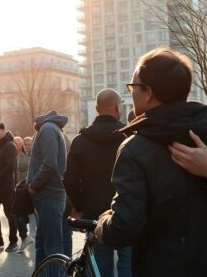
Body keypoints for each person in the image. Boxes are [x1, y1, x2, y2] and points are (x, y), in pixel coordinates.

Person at [95, 48, 207, 276]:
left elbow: (125, 228)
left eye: (132, 87)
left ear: (148, 93)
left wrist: (103, 226)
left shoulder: (134, 149)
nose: (130, 94)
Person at [63, 88, 129, 277]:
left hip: (94, 213)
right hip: (126, 210)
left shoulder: (80, 140)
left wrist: (79, 205)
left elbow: (69, 179)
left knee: (100, 265)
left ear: (97, 108)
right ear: (117, 108)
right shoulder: (129, 137)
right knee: (128, 262)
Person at [27, 111, 69, 274]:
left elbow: (49, 164)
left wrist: (33, 185)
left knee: (51, 248)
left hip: (48, 196)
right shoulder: (50, 128)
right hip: (48, 196)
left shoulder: (48, 129)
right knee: (43, 244)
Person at [0, 123, 26, 252]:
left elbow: (11, 165)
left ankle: (13, 241)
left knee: (9, 213)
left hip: (6, 186)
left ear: (3, 131)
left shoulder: (9, 145)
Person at [14, 136, 34, 253]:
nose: (27, 147)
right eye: (25, 144)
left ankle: (25, 238)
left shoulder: (27, 159)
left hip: (23, 189)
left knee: (20, 214)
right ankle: (24, 238)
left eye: (28, 145)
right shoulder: (15, 156)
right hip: (17, 189)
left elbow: (28, 175)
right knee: (19, 215)